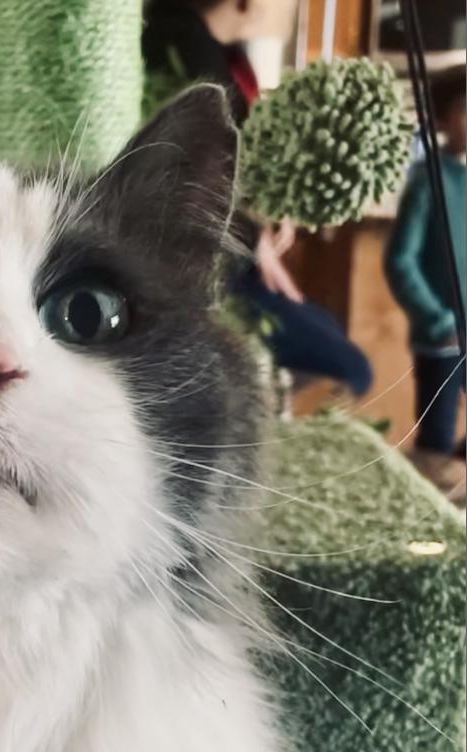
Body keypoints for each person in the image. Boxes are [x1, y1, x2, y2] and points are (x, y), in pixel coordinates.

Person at [142, 0, 374, 398]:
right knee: (352, 367)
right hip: (207, 261)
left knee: (329, 326)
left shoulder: (218, 53)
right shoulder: (186, 46)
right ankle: (265, 403)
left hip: (231, 247)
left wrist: (262, 224)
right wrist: (253, 236)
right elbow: (175, 176)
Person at [384, 64, 466, 489]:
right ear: (443, 118)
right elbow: (401, 261)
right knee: (434, 441)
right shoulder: (429, 181)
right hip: (443, 338)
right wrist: (438, 320)